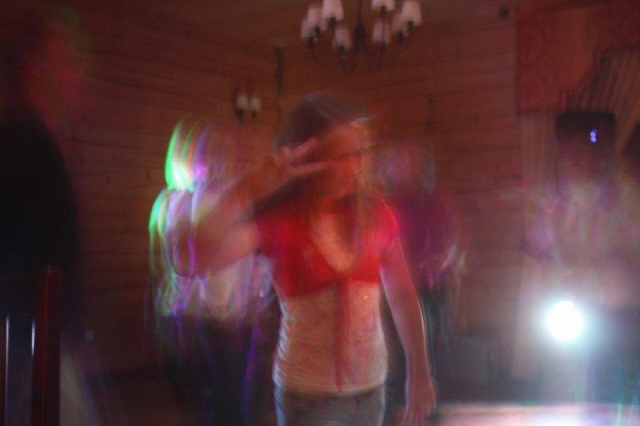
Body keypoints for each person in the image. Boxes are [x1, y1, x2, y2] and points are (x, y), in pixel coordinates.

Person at [179, 93, 437, 425]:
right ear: (308, 159)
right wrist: (247, 189)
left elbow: (402, 294)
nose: (355, 166)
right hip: (307, 397)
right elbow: (189, 259)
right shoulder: (281, 223)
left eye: (359, 153)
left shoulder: (375, 215)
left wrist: (419, 371)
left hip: (371, 391)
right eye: (340, 156)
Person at [0, 4, 94, 424]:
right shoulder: (19, 145)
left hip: (45, 344)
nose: (77, 75)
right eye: (66, 60)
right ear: (34, 67)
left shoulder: (42, 144)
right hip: (23, 352)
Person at [150, 120, 264, 425]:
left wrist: (252, 299)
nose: (218, 161)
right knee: (226, 394)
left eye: (223, 152)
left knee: (236, 392)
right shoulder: (182, 200)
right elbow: (180, 263)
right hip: (204, 316)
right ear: (190, 159)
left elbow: (247, 259)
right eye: (209, 153)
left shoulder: (233, 198)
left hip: (234, 314)